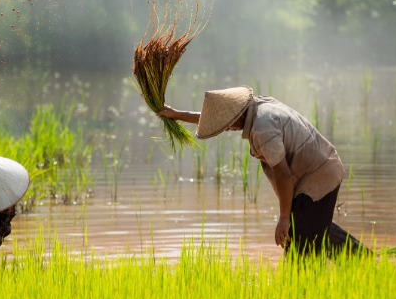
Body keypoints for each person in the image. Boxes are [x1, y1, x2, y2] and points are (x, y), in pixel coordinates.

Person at [158, 86, 369, 258]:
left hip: (319, 177)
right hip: (319, 168)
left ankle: (306, 291)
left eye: (227, 125)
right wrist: (177, 115)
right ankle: (364, 260)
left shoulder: (262, 129)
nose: (227, 129)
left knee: (299, 253)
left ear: (237, 115)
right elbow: (217, 117)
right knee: (311, 226)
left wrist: (284, 218)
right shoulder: (259, 104)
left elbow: (283, 175)